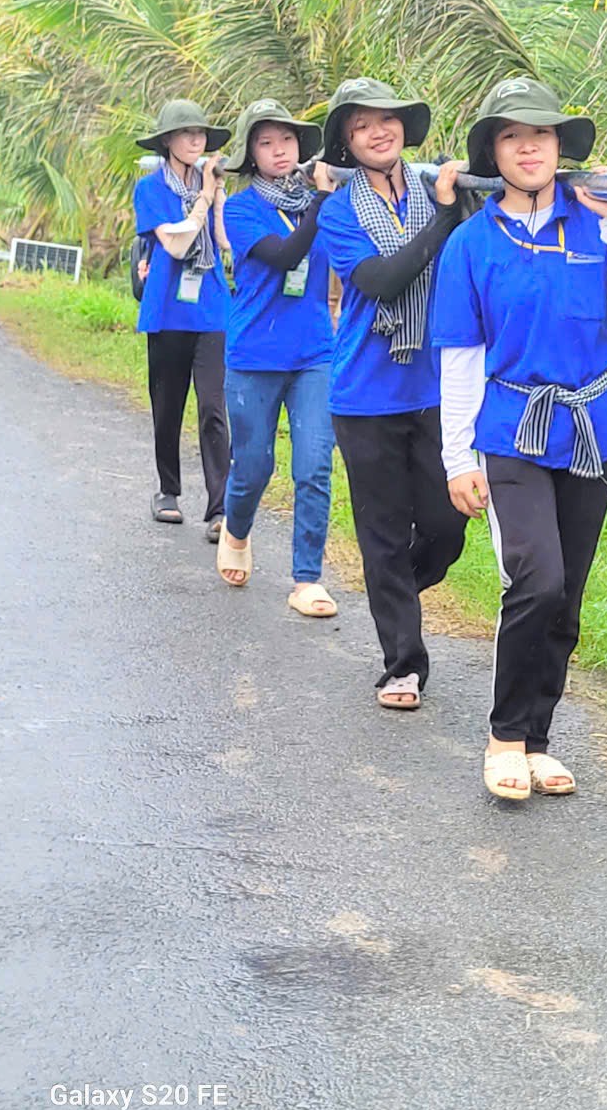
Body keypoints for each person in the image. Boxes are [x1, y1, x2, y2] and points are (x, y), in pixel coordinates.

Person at [431, 77, 607, 800]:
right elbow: (462, 355)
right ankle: (503, 736)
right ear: (493, 151)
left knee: (569, 597)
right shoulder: (472, 241)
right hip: (509, 427)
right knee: (537, 579)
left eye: (541, 133)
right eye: (510, 134)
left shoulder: (596, 220)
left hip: (593, 425)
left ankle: (538, 739)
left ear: (561, 148)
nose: (528, 145)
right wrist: (455, 458)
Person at [316, 78, 468, 709]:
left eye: (388, 120)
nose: (379, 132)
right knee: (381, 531)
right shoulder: (338, 210)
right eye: (362, 125)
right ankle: (403, 662)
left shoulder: (440, 190)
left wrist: (450, 208)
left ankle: (390, 589)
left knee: (447, 524)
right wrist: (442, 218)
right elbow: (380, 279)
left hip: (435, 389)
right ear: (348, 144)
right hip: (365, 395)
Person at [215, 99, 338, 618]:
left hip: (314, 353)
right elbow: (286, 256)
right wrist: (321, 202)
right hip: (254, 355)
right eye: (266, 142)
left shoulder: (320, 202)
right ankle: (236, 528)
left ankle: (306, 578)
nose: (279, 150)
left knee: (314, 466)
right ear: (250, 154)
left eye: (286, 140)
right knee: (256, 466)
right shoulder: (241, 209)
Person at [133, 100, 232, 540]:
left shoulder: (213, 187)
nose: (196, 141)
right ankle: (168, 490)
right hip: (168, 310)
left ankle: (219, 507)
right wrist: (203, 201)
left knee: (213, 407)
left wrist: (217, 199)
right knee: (168, 405)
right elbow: (173, 245)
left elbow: (224, 243)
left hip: (211, 307)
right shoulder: (150, 189)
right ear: (167, 142)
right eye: (186, 133)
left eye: (201, 134)